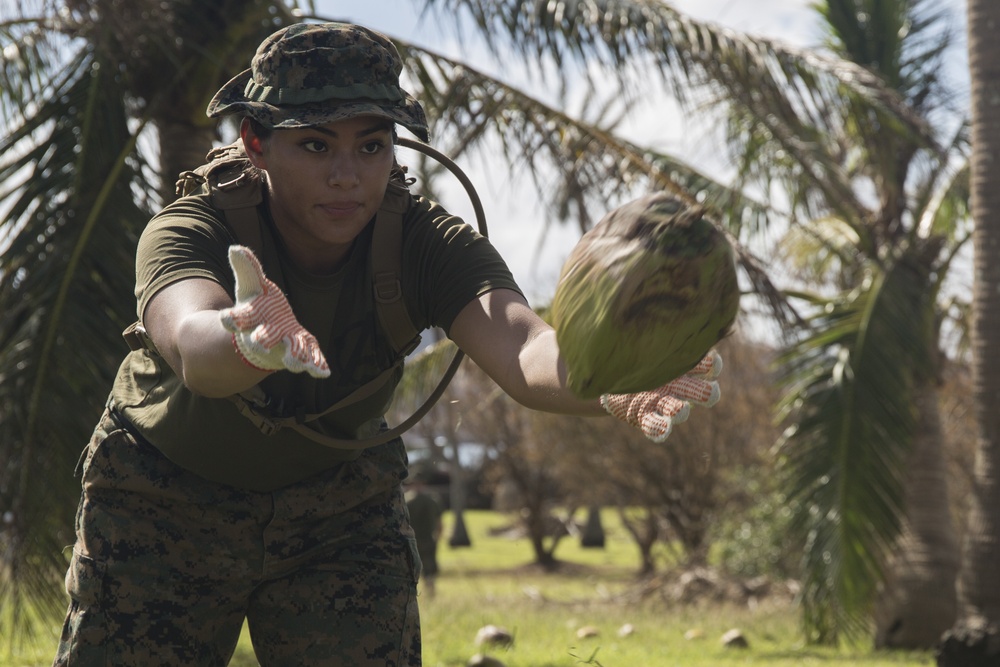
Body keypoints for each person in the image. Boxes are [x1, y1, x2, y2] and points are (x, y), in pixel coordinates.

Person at [53, 21, 723, 667]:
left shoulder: (428, 244)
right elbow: (194, 344)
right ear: (256, 142)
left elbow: (524, 349)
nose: (347, 174)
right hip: (163, 501)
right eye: (315, 145)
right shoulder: (189, 226)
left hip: (337, 514)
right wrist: (248, 339)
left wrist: (611, 375)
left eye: (371, 145)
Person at [404, 472, 444, 599]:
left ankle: (410, 597)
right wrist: (438, 537)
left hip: (411, 541)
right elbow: (439, 523)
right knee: (429, 570)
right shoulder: (432, 500)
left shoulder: (406, 501)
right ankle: (430, 595)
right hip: (429, 540)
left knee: (409, 570)